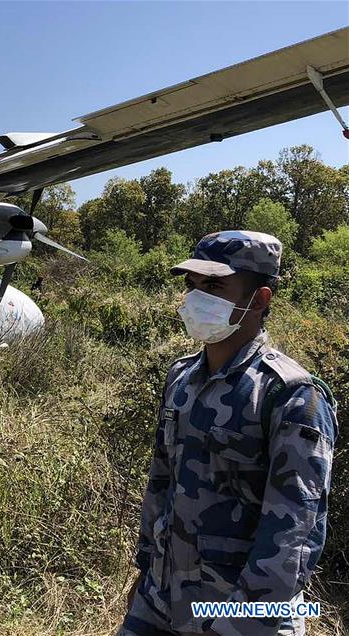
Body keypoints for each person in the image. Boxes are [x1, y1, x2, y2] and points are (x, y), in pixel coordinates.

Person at [118, 230, 338, 636]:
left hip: (241, 612)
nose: (197, 297)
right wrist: (146, 571)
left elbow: (295, 529)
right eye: (193, 285)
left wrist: (240, 622)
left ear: (260, 299)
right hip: (163, 597)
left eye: (215, 285)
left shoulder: (290, 394)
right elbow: (161, 481)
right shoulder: (182, 377)